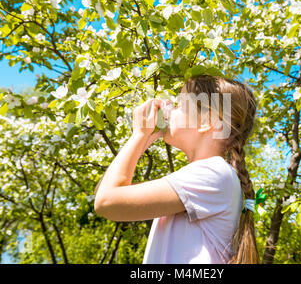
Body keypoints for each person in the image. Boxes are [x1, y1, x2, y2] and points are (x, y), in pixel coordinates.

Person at [94, 74, 260, 264]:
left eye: (180, 105)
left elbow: (106, 202)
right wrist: (143, 139)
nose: (169, 108)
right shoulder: (209, 176)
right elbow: (106, 194)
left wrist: (139, 135)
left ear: (208, 122)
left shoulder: (213, 173)